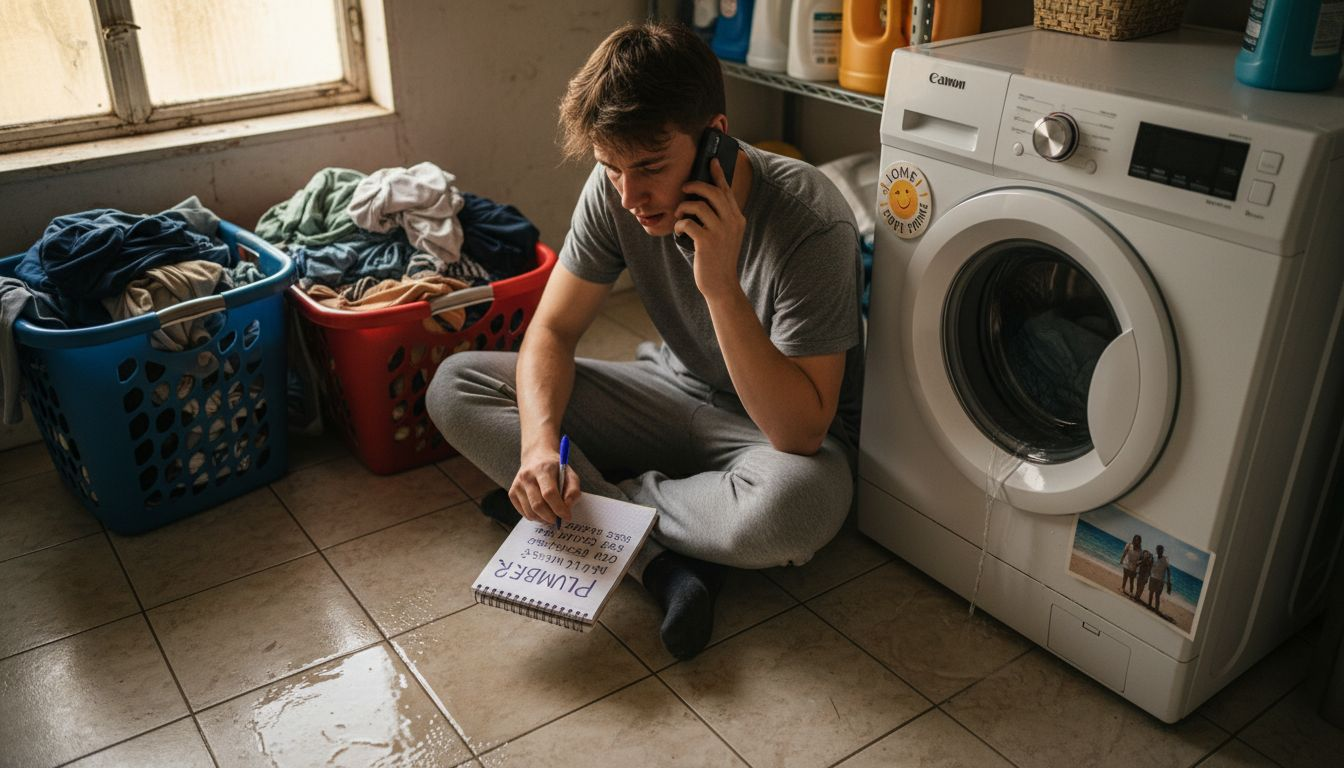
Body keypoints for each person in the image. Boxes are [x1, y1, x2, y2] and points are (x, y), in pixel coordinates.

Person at [426, 21, 864, 660]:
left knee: (791, 513)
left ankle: (601, 508)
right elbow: (552, 329)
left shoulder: (811, 221)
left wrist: (719, 287)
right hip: (669, 389)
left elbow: (799, 433)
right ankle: (661, 561)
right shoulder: (616, 192)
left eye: (650, 167)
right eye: (610, 169)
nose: (630, 196)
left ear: (714, 136)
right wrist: (540, 449)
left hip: (774, 437)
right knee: (455, 384)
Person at [1148, 544, 1174, 613]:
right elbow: (1150, 565)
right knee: (1151, 593)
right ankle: (1149, 605)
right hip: (1152, 577)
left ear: (1162, 551)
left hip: (1160, 580)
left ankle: (1156, 609)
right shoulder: (1154, 556)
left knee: (1157, 595)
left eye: (1161, 550)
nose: (1159, 551)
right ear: (1156, 550)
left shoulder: (1166, 559)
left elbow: (1168, 570)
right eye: (1158, 550)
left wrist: (1168, 581)